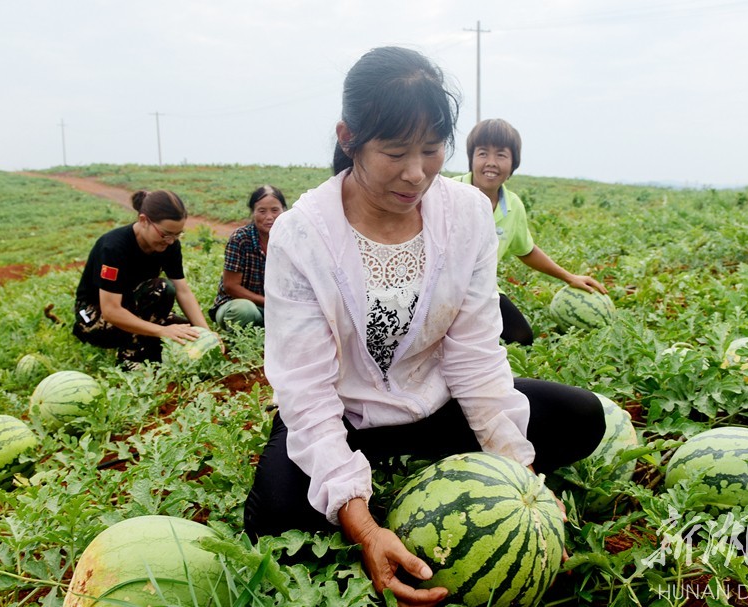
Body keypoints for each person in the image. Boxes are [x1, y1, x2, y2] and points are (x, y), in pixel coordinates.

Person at [243, 47, 605, 607]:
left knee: (581, 418)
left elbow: (476, 356)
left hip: (437, 408)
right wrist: (362, 524)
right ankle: (364, 488)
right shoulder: (302, 234)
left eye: (432, 151)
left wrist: (520, 477)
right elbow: (306, 387)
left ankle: (443, 469)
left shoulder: (467, 214)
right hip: (347, 415)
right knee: (278, 523)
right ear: (348, 138)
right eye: (395, 153)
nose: (417, 173)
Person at [453, 118, 607, 346]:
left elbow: (526, 250)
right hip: (440, 291)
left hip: (482, 292)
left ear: (513, 163)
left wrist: (569, 277)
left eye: (501, 155)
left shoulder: (513, 206)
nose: (491, 162)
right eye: (483, 153)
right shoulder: (449, 193)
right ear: (471, 158)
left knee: (522, 338)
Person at [73, 189, 209, 366]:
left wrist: (206, 333)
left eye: (178, 234)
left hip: (132, 306)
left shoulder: (170, 245)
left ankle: (148, 342)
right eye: (165, 234)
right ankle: (130, 360)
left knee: (189, 332)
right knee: (161, 289)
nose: (171, 241)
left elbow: (183, 291)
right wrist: (162, 331)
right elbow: (111, 310)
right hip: (94, 316)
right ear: (143, 220)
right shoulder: (114, 247)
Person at [208, 185, 287, 330]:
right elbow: (231, 286)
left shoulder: (290, 240)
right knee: (244, 310)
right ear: (253, 213)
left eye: (275, 210)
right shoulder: (241, 239)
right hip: (237, 304)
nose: (269, 217)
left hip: (274, 309)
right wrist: (268, 302)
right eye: (262, 211)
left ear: (284, 211)